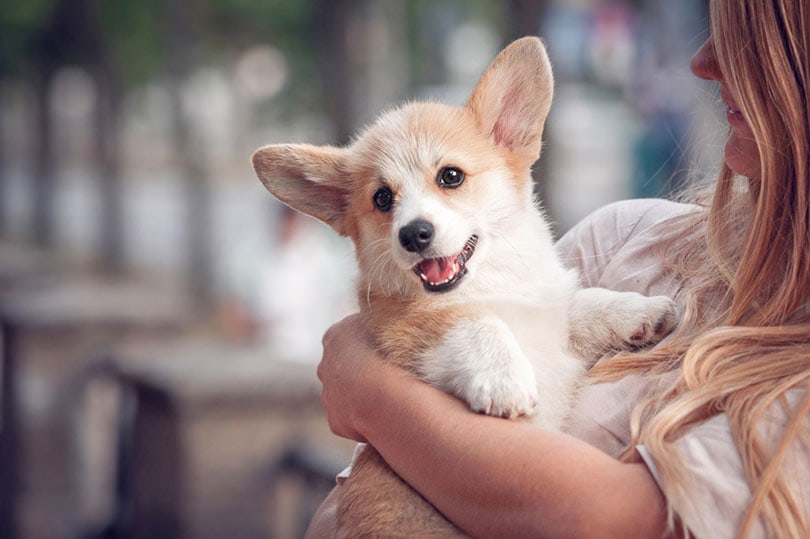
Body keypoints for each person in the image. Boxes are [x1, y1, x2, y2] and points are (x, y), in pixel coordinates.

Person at [308, 0, 810, 536]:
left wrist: (371, 391)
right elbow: (339, 512)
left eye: (754, 41)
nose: (702, 61)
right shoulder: (623, 241)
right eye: (384, 199)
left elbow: (619, 522)